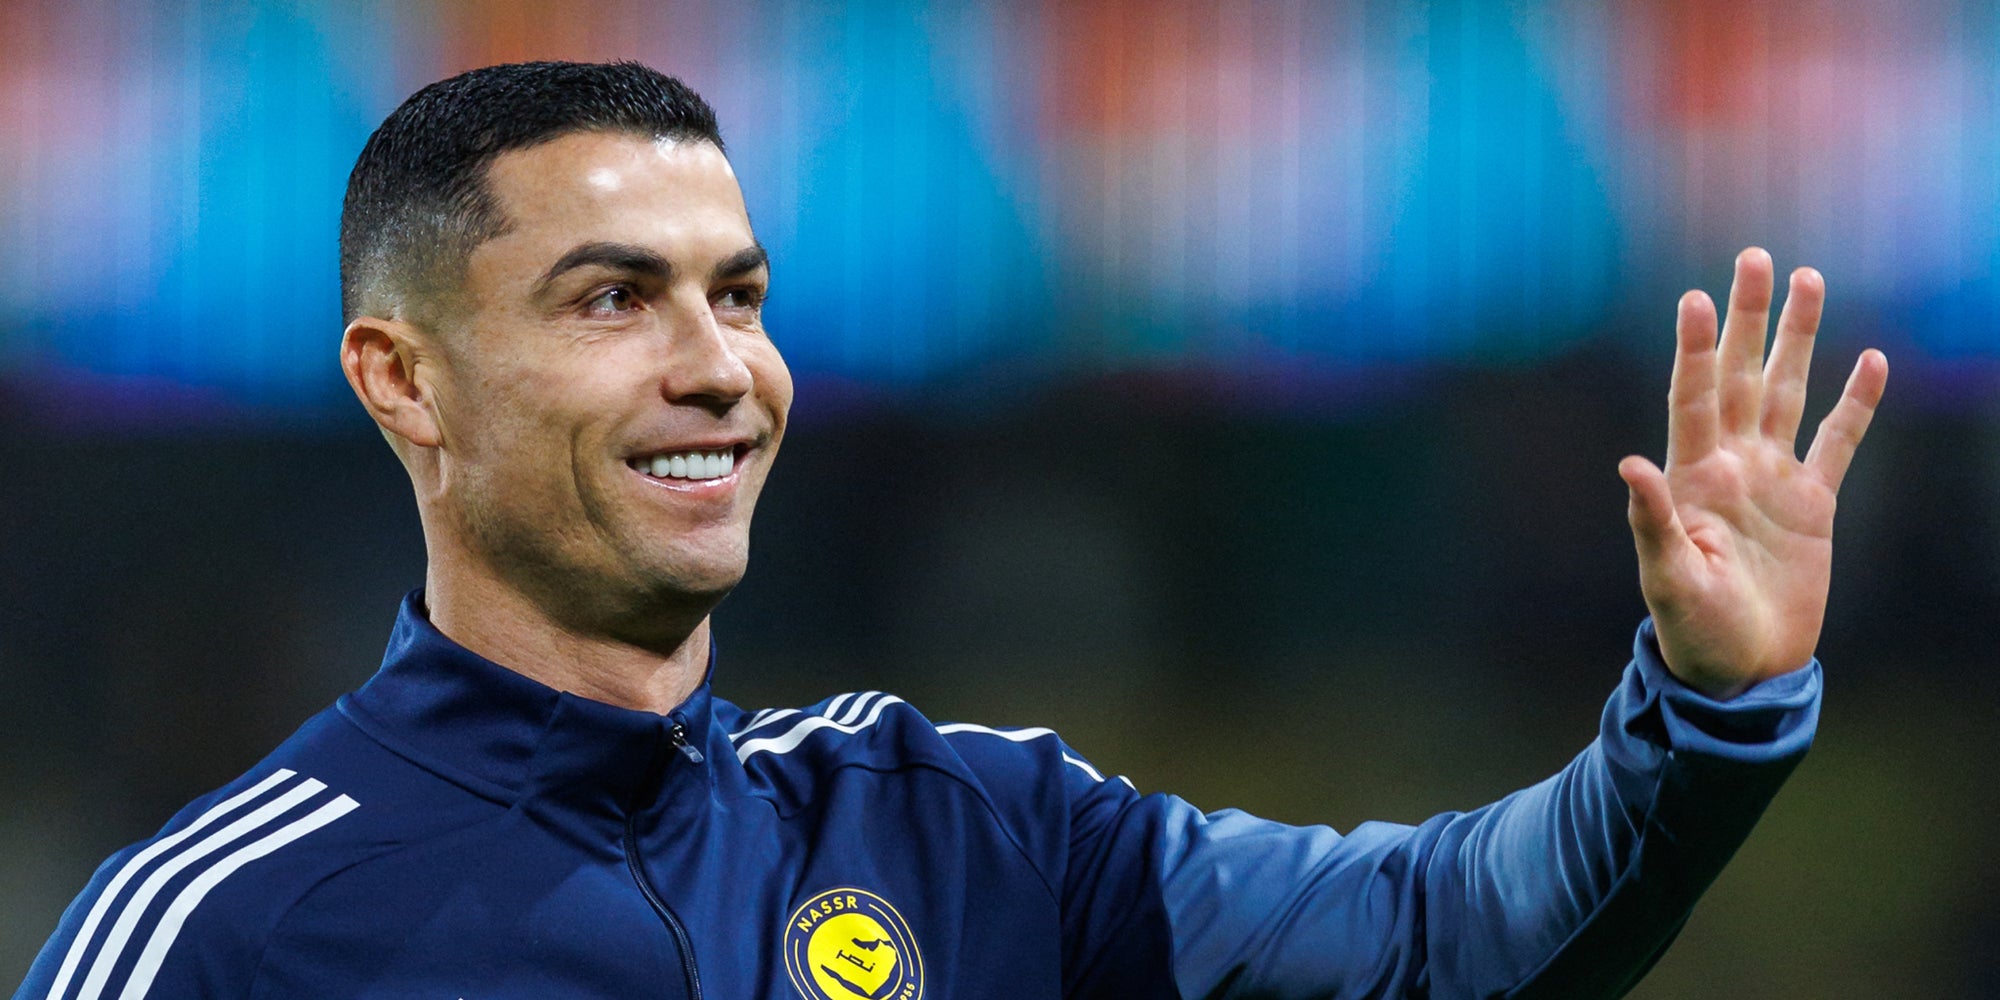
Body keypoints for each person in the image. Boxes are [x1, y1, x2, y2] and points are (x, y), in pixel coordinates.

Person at [14, 61, 1887, 1000]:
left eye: (737, 295)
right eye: (612, 302)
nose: (721, 369)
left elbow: (1440, 938)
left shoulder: (962, 825)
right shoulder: (221, 928)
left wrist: (1703, 712)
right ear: (402, 381)